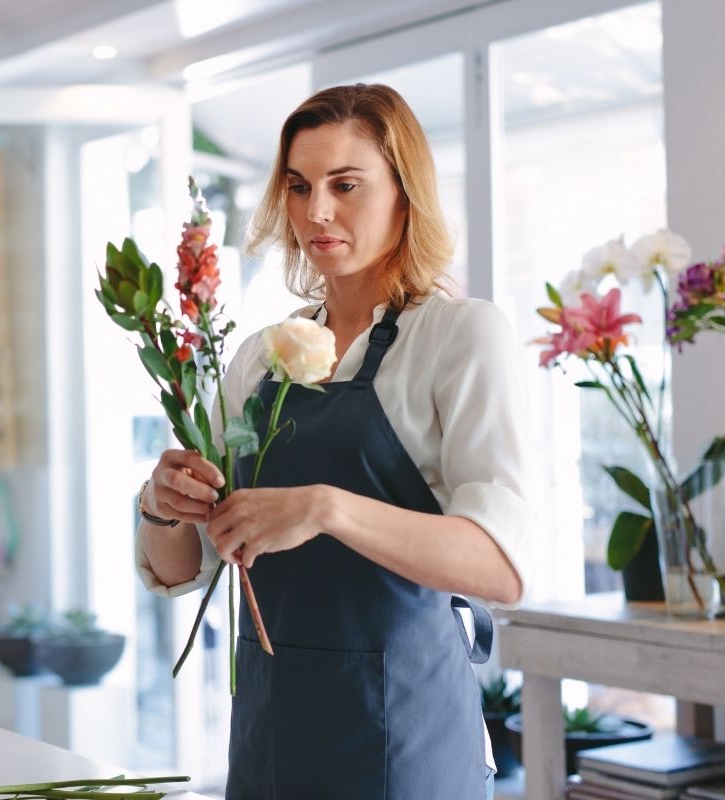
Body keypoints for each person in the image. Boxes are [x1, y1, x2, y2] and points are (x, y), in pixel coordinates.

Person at [134, 83, 533, 799]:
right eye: (298, 186)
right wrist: (163, 505)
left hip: (407, 746)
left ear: (405, 193)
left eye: (346, 184)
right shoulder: (261, 355)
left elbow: (500, 567)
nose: (316, 211)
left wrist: (325, 508)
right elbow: (183, 568)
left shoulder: (458, 337)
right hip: (270, 741)